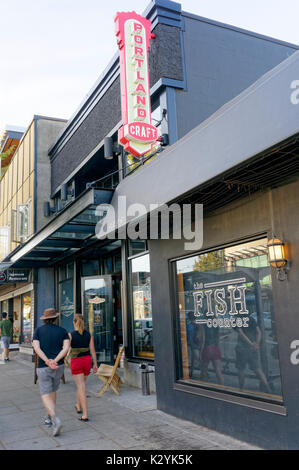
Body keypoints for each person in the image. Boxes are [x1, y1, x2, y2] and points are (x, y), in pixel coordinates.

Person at [32, 308, 69, 436]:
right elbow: (66, 348)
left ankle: (54, 418)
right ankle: (48, 417)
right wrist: (55, 361)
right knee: (52, 391)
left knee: (45, 393)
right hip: (58, 367)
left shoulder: (38, 331)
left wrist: (47, 361)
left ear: (44, 319)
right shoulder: (63, 331)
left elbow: (36, 348)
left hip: (43, 367)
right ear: (55, 318)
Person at [68, 314, 98, 422]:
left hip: (76, 362)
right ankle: (78, 405)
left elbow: (66, 350)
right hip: (87, 362)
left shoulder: (71, 335)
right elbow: (93, 351)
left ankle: (85, 414)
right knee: (81, 385)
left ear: (73, 322)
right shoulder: (88, 335)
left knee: (81, 387)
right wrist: (95, 364)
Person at [235, 315, 270, 393]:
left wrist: (251, 344)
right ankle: (267, 387)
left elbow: (241, 334)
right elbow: (259, 332)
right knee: (257, 369)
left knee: (241, 370)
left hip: (242, 349)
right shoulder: (251, 319)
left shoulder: (238, 320)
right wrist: (256, 344)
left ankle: (241, 389)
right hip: (253, 349)